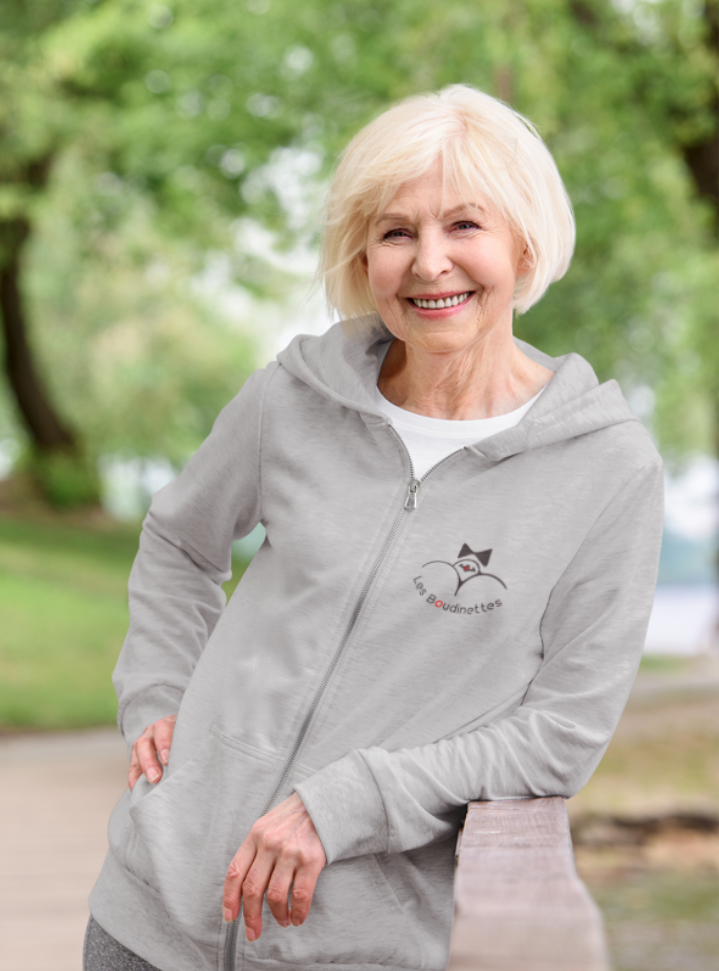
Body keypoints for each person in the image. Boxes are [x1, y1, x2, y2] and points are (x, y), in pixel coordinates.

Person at [86, 85, 663, 971]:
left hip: (358, 944)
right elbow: (179, 542)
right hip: (148, 922)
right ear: (363, 255)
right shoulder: (295, 394)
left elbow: (562, 730)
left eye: (464, 226)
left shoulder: (605, 467)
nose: (430, 264)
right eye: (397, 232)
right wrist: (157, 690)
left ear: (524, 241)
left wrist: (351, 798)